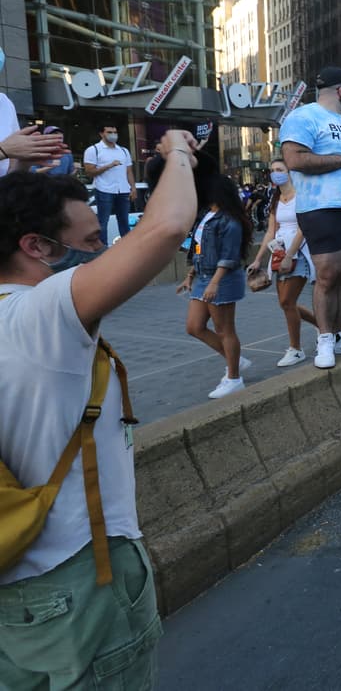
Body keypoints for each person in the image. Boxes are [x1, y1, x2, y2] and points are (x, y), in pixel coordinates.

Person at [0, 128, 198, 688]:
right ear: (36, 246)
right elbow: (166, 226)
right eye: (91, 243)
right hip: (76, 583)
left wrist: (11, 167)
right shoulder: (40, 319)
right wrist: (177, 151)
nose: (103, 256)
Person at [279, 66, 341, 368]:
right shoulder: (303, 116)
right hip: (321, 206)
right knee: (327, 275)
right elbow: (294, 159)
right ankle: (325, 339)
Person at [177, 175, 252, 398]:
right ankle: (235, 360)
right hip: (204, 276)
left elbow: (229, 256)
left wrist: (214, 282)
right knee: (194, 326)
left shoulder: (230, 220)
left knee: (225, 329)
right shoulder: (206, 215)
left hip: (222, 279)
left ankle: (234, 377)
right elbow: (199, 248)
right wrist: (190, 274)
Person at [247, 158, 318, 367]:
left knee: (287, 302)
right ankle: (322, 327)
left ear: (290, 172)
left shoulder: (302, 196)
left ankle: (296, 349)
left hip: (299, 253)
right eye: (272, 170)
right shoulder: (276, 199)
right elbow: (271, 231)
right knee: (286, 303)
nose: (275, 173)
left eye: (279, 169)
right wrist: (259, 259)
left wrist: (290, 255)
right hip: (278, 254)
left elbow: (303, 229)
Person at [84, 123, 135, 242]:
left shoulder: (123, 150)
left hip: (122, 190)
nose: (113, 135)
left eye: (115, 132)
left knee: (124, 221)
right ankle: (103, 250)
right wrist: (109, 166)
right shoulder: (93, 150)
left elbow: (129, 171)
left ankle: (128, 247)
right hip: (104, 189)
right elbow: (90, 172)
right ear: (102, 134)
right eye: (109, 132)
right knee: (103, 221)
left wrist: (133, 188)